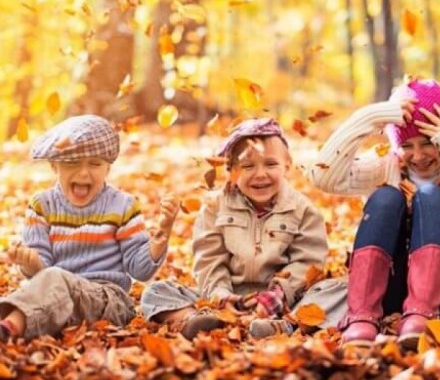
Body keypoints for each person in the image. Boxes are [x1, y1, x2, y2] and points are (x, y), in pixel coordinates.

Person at [311, 78, 440, 348]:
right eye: (407, 145)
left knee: (431, 196)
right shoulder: (385, 167)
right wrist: (373, 116)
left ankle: (422, 313)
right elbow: (322, 175)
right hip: (387, 290)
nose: (418, 155)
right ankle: (362, 316)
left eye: (427, 142)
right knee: (386, 195)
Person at [141, 118, 347, 339]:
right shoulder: (215, 207)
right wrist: (221, 296)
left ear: (287, 165)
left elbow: (308, 262)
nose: (260, 174)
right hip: (228, 295)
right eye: (248, 166)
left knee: (344, 290)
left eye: (270, 164)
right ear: (231, 171)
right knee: (156, 291)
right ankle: (197, 319)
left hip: (285, 300)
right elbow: (209, 260)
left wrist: (276, 297)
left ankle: (285, 326)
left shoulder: (303, 209)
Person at [0, 115, 179, 342]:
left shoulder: (122, 205)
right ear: (54, 165)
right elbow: (41, 270)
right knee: (49, 284)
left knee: (55, 279)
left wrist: (162, 233)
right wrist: (30, 261)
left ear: (108, 168)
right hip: (56, 295)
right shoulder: (41, 206)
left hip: (108, 300)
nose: (84, 173)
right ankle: (15, 325)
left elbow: (140, 270)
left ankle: (8, 328)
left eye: (95, 164)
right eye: (72, 162)